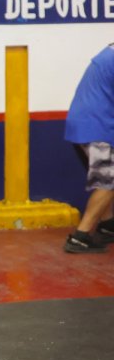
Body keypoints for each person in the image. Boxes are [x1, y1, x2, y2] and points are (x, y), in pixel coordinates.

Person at [64, 45, 114, 254]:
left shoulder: (108, 53)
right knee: (109, 180)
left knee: (106, 179)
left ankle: (108, 225)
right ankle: (80, 237)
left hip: (85, 124)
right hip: (97, 127)